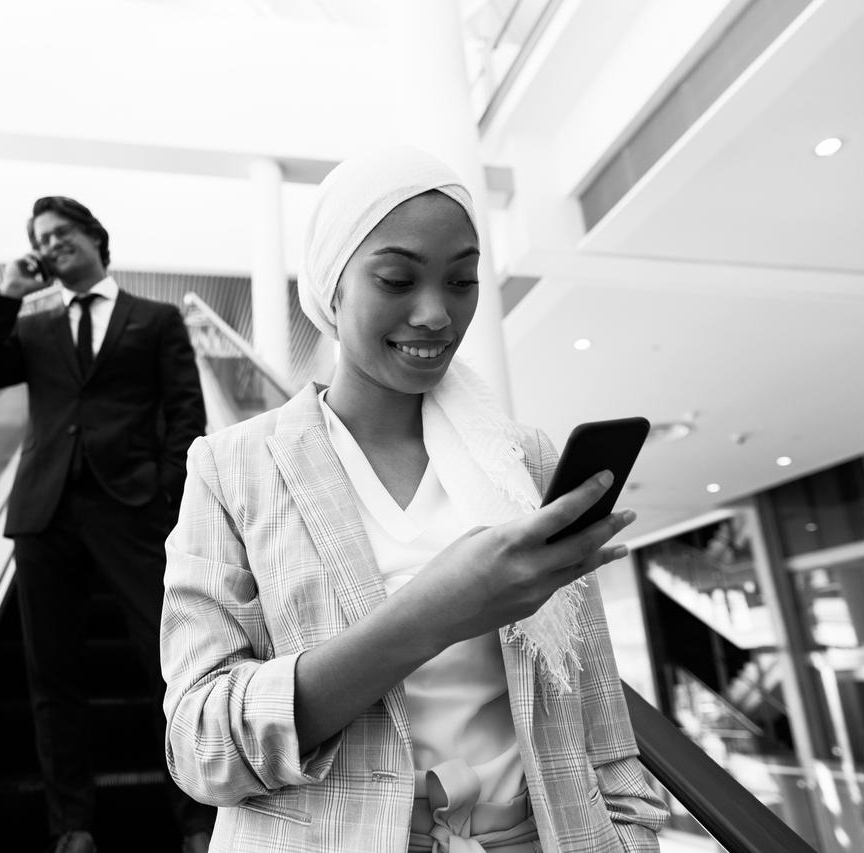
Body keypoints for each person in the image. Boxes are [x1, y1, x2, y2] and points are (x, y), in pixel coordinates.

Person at [160, 149, 668, 852]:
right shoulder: (233, 468)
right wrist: (428, 616)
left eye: (461, 281)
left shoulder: (523, 463)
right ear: (331, 286)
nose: (436, 314)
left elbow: (602, 731)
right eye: (397, 278)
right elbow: (199, 744)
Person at [0, 196, 215, 853]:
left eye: (62, 232)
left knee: (169, 662)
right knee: (52, 675)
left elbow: (187, 414)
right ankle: (72, 825)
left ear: (96, 237)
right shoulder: (33, 326)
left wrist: (164, 494)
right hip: (44, 514)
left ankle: (197, 819)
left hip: (131, 510)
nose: (51, 243)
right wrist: (7, 294)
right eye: (41, 238)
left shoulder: (154, 319)